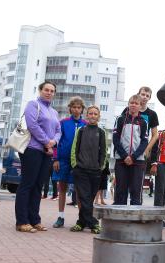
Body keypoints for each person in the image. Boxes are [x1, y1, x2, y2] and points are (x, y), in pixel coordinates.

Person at [15, 81, 61, 233]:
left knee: (38, 187)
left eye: (52, 91)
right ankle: (22, 221)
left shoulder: (54, 112)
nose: (49, 92)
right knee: (27, 184)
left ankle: (35, 220)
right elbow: (32, 125)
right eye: (46, 90)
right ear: (40, 90)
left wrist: (53, 142)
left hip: (46, 152)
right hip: (32, 149)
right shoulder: (33, 105)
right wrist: (47, 142)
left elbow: (58, 130)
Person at [70, 105, 106, 234]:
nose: (92, 116)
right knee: (84, 197)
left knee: (88, 199)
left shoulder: (101, 132)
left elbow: (104, 152)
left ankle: (81, 223)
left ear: (98, 117)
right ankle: (94, 224)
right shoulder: (81, 130)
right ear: (86, 116)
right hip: (81, 170)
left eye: (95, 114)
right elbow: (75, 148)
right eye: (90, 113)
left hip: (95, 171)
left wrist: (100, 167)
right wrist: (75, 165)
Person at [52, 96, 87, 228]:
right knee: (62, 188)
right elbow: (56, 141)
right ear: (70, 109)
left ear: (82, 109)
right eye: (74, 107)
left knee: (79, 190)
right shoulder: (63, 122)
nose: (76, 110)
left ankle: (81, 219)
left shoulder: (86, 124)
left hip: (79, 162)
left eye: (79, 107)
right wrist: (55, 159)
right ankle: (60, 217)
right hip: (63, 160)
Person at [113, 95, 148, 205]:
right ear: (128, 104)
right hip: (121, 159)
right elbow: (115, 139)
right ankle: (119, 217)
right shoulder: (120, 119)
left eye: (136, 103)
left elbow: (144, 142)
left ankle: (134, 218)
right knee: (120, 190)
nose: (133, 105)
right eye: (131, 103)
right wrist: (125, 156)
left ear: (140, 106)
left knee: (135, 190)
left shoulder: (143, 122)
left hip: (137, 160)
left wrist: (133, 157)